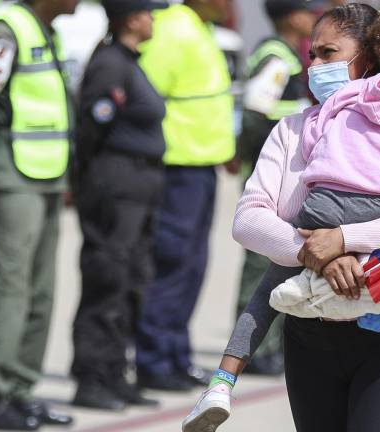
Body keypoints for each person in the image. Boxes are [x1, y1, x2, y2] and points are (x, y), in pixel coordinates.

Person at [184, 4, 380, 432]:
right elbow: (249, 218)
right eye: (311, 54)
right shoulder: (293, 130)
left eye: (327, 54)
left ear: (370, 59)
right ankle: (222, 382)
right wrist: (314, 254)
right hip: (308, 333)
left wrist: (343, 239)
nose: (313, 65)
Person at [0, 0, 78, 428]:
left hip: (45, 176)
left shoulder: (46, 31)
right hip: (12, 179)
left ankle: (20, 391)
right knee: (6, 291)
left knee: (39, 293)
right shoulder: (9, 32)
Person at [70, 0, 167, 410]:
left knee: (132, 279)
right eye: (150, 12)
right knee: (106, 278)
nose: (154, 20)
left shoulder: (128, 60)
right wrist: (90, 182)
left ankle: (114, 372)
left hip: (138, 186)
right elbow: (93, 126)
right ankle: (92, 378)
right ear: (132, 18)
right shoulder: (111, 64)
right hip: (115, 185)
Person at [135, 0, 236, 392]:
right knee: (171, 262)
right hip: (176, 166)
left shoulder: (197, 28)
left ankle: (176, 354)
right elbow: (145, 94)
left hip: (201, 165)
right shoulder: (173, 30)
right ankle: (153, 359)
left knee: (192, 265)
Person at [231, 0, 314, 376]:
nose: (315, 16)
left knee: (280, 262)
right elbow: (253, 110)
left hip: (282, 175)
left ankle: (271, 346)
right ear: (292, 15)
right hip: (271, 178)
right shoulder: (277, 57)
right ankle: (254, 348)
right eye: (309, 9)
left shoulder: (287, 54)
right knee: (261, 265)